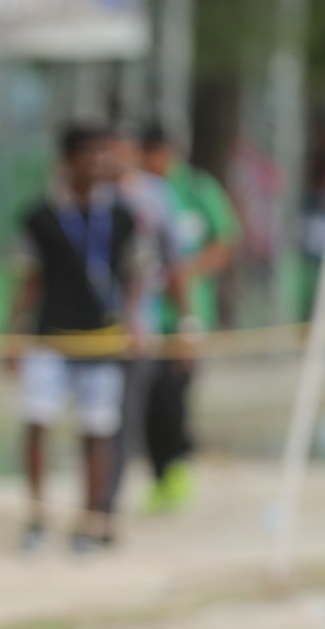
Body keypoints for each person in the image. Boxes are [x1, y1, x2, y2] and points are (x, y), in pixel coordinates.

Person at [6, 124, 144, 553]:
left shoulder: (122, 215)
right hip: (50, 337)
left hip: (102, 338)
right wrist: (14, 334)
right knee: (37, 422)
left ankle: (92, 519)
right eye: (90, 153)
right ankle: (37, 517)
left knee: (98, 429)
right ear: (68, 160)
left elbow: (137, 272)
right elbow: (28, 279)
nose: (101, 162)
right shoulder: (40, 214)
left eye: (105, 152)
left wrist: (133, 322)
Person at [141, 123, 240, 513]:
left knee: (176, 395)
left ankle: (179, 469)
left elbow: (225, 239)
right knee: (147, 399)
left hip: (187, 314)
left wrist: (189, 272)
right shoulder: (140, 192)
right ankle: (158, 474)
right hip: (147, 317)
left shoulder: (198, 190)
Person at [99, 126, 195, 529]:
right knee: (103, 419)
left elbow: (172, 263)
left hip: (145, 327)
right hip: (95, 328)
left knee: (136, 414)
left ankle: (108, 505)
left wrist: (187, 322)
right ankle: (100, 502)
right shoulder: (94, 195)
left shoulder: (155, 196)